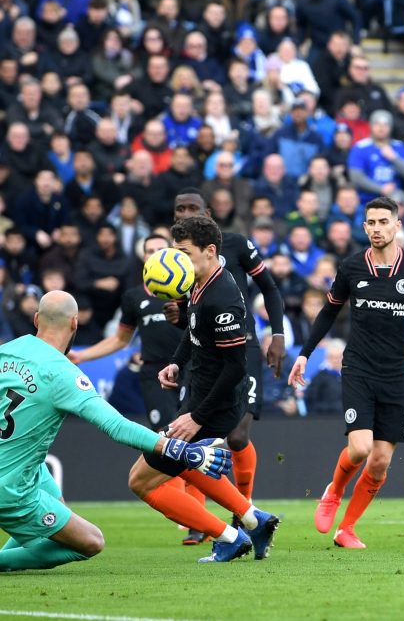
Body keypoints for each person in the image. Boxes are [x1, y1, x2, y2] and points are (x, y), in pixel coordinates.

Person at [0, 290, 231, 574]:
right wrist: (179, 450)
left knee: (59, 508)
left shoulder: (9, 349)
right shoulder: (63, 375)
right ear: (74, 323)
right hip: (8, 487)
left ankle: (3, 553)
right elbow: (115, 426)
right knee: (90, 542)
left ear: (37, 320)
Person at [288, 196, 404, 549]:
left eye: (383, 222)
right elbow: (327, 312)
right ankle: (334, 491)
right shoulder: (352, 268)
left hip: (395, 374)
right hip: (358, 368)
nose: (376, 229)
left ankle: (348, 529)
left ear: (397, 225)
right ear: (364, 227)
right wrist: (305, 354)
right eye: (370, 223)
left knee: (381, 461)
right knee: (360, 448)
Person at [127, 217, 281, 563]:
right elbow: (194, 331)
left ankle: (229, 536)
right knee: (183, 466)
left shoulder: (224, 297)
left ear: (210, 251)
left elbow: (235, 367)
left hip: (215, 403)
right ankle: (255, 521)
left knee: (141, 481)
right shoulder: (198, 283)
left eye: (183, 252)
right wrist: (177, 362)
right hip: (201, 393)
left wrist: (197, 418)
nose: (177, 259)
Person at [172, 191, 286, 507]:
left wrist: (278, 333)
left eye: (192, 208)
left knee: (237, 436)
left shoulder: (235, 244)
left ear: (207, 212)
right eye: (179, 209)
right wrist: (177, 321)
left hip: (242, 348)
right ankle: (199, 514)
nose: (184, 213)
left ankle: (243, 507)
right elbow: (192, 320)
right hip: (203, 354)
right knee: (194, 436)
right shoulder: (176, 261)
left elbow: (269, 287)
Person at [69, 234, 183, 432]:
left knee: (192, 434)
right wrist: (81, 355)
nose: (155, 255)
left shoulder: (187, 290)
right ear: (144, 258)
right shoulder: (134, 297)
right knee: (165, 436)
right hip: (154, 374)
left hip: (188, 369)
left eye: (160, 250)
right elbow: (120, 340)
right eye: (150, 251)